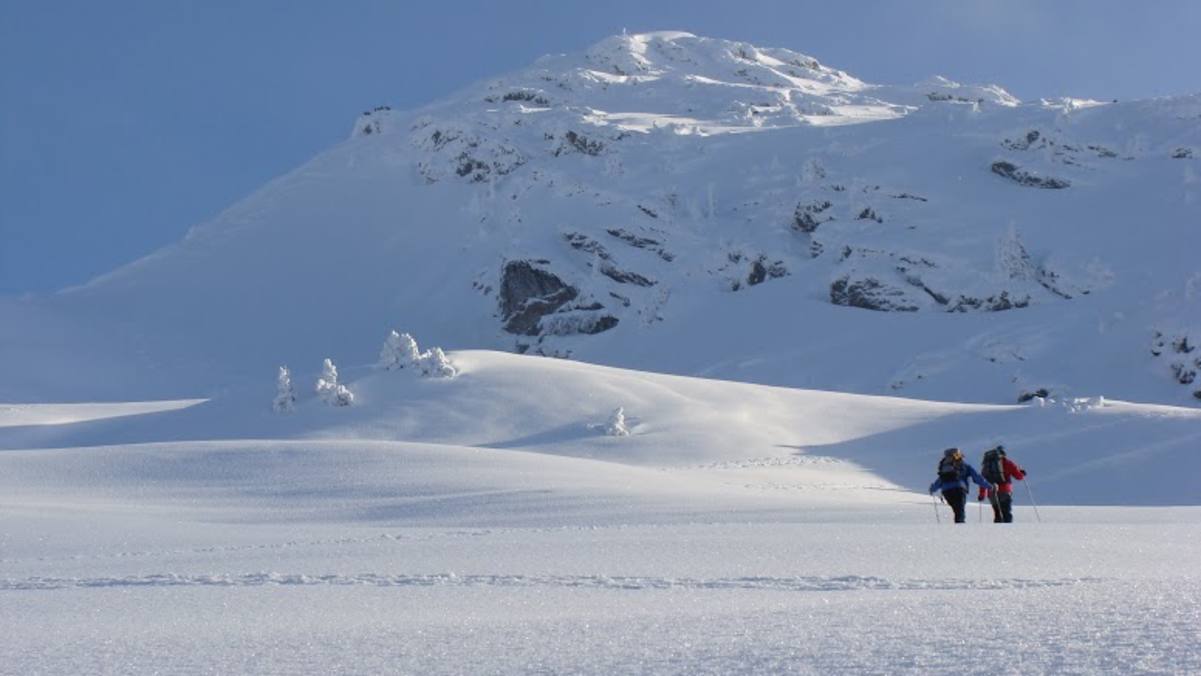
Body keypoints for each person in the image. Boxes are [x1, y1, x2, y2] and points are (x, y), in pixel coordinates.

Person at [929, 448, 991, 524]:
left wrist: (932, 489)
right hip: (959, 489)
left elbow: (940, 480)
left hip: (947, 492)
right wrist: (989, 486)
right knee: (960, 512)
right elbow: (977, 478)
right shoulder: (964, 466)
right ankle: (960, 530)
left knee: (957, 511)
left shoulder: (945, 467)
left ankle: (959, 528)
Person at [977, 445, 1027, 523]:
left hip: (992, 492)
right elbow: (1018, 476)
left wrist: (982, 495)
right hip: (1005, 491)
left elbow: (983, 481)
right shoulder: (1007, 462)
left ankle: (998, 532)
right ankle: (1007, 532)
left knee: (997, 514)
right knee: (1006, 513)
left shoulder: (986, 465)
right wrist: (1022, 473)